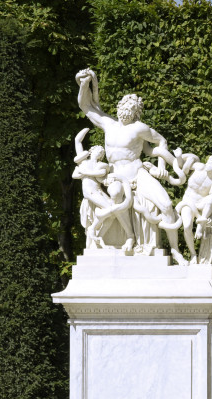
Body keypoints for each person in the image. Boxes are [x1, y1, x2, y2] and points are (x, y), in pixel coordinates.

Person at [75, 69, 186, 264]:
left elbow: (161, 141)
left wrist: (161, 166)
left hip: (137, 172)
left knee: (167, 204)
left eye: (132, 108)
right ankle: (130, 237)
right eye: (125, 106)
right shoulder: (108, 124)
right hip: (116, 175)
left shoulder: (139, 128)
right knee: (116, 194)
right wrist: (85, 83)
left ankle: (175, 251)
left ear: (136, 113)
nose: (127, 110)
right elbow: (86, 105)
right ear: (119, 107)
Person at [72, 127, 134, 251]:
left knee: (113, 211)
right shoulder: (83, 162)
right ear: (91, 151)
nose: (100, 153)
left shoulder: (102, 165)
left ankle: (98, 236)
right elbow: (77, 141)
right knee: (111, 209)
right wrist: (86, 129)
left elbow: (100, 174)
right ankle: (93, 229)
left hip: (98, 191)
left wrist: (84, 172)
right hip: (89, 192)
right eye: (98, 151)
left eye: (101, 153)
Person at [176, 155, 212, 265]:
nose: (206, 164)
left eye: (210, 163)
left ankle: (201, 224)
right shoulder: (199, 167)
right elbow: (182, 165)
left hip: (201, 203)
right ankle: (193, 254)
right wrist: (179, 156)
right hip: (188, 201)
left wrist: (211, 217)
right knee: (187, 226)